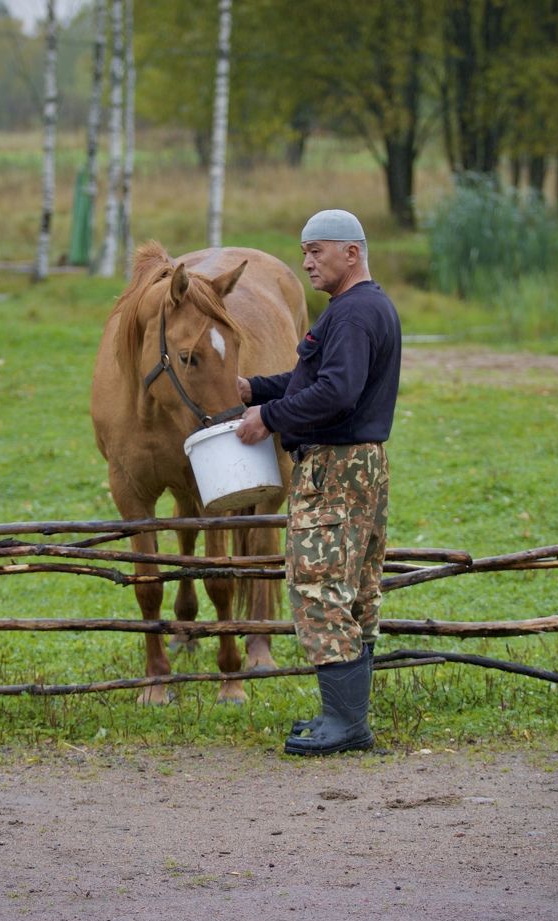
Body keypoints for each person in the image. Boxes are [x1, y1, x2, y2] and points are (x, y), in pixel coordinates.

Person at [236, 209, 401, 756]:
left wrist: (271, 417)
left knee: (320, 587)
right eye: (304, 251)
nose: (306, 261)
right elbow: (313, 376)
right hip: (363, 464)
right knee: (355, 590)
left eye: (317, 251)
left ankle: (345, 722)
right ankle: (347, 716)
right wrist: (255, 389)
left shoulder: (352, 315)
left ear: (351, 252)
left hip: (335, 468)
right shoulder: (362, 308)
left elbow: (336, 392)